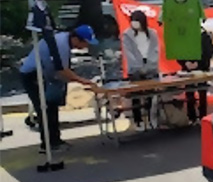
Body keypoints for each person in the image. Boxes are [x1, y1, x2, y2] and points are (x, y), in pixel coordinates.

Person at [19, 24, 100, 152]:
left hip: (45, 74)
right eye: (85, 43)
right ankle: (48, 144)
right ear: (76, 39)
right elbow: (62, 71)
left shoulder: (64, 41)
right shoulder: (61, 44)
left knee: (51, 106)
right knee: (44, 109)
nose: (86, 46)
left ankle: (55, 140)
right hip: (33, 75)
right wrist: (84, 81)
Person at [120, 10, 160, 127]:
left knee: (151, 95)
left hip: (151, 68)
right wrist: (138, 67)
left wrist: (149, 66)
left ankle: (151, 118)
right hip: (135, 69)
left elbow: (156, 50)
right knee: (136, 96)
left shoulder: (152, 33)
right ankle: (138, 121)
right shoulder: (127, 34)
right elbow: (129, 54)